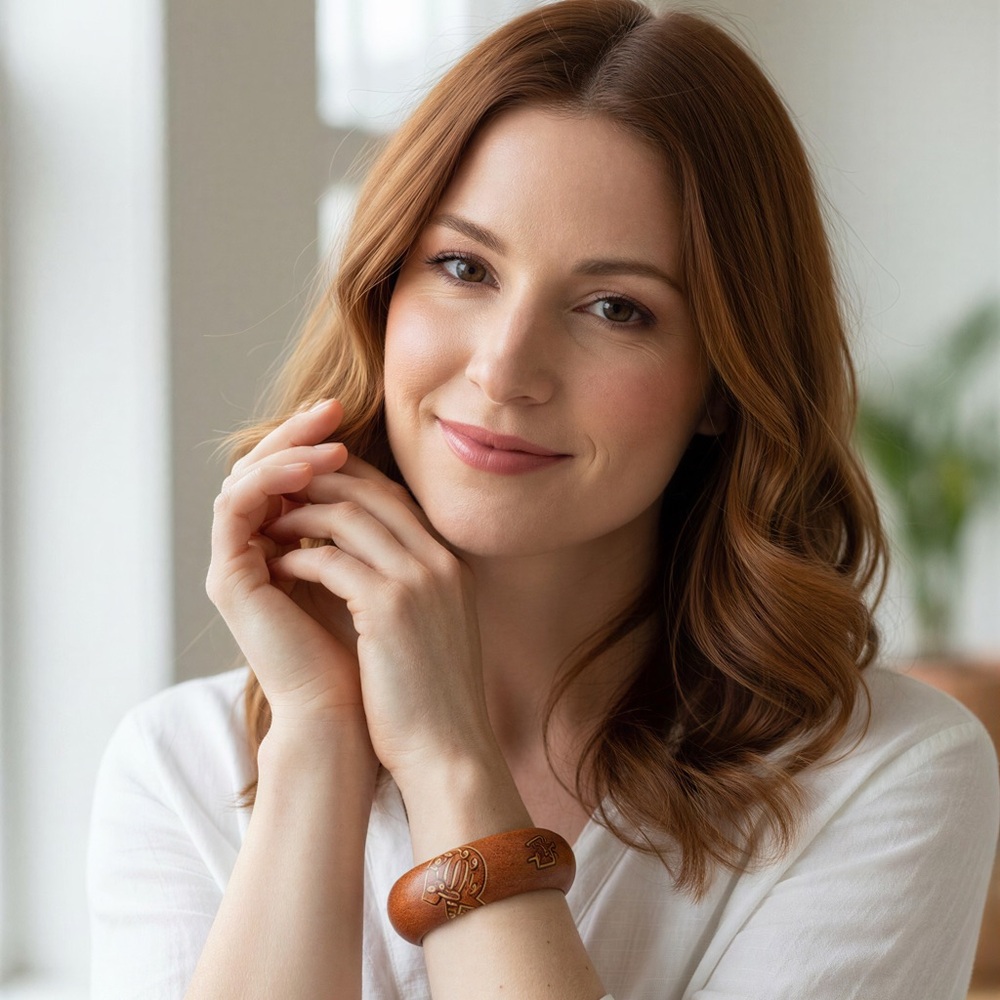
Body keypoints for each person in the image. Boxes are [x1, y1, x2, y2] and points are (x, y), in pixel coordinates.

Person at [87, 2, 999, 998]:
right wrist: (317, 735)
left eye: (617, 308)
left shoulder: (886, 775)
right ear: (383, 288)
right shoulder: (178, 769)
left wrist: (448, 759)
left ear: (724, 384)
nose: (505, 367)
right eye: (462, 266)